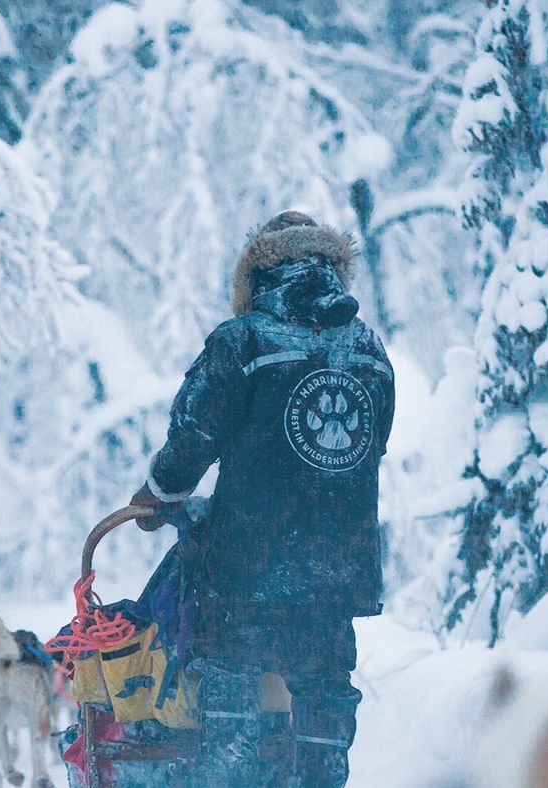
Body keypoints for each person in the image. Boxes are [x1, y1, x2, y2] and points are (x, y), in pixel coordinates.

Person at [128, 211, 395, 787]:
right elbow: (374, 443)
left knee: (231, 692)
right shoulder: (369, 349)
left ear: (255, 276)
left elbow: (194, 436)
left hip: (246, 571)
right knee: (324, 698)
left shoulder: (243, 340)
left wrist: (157, 495)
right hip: (338, 573)